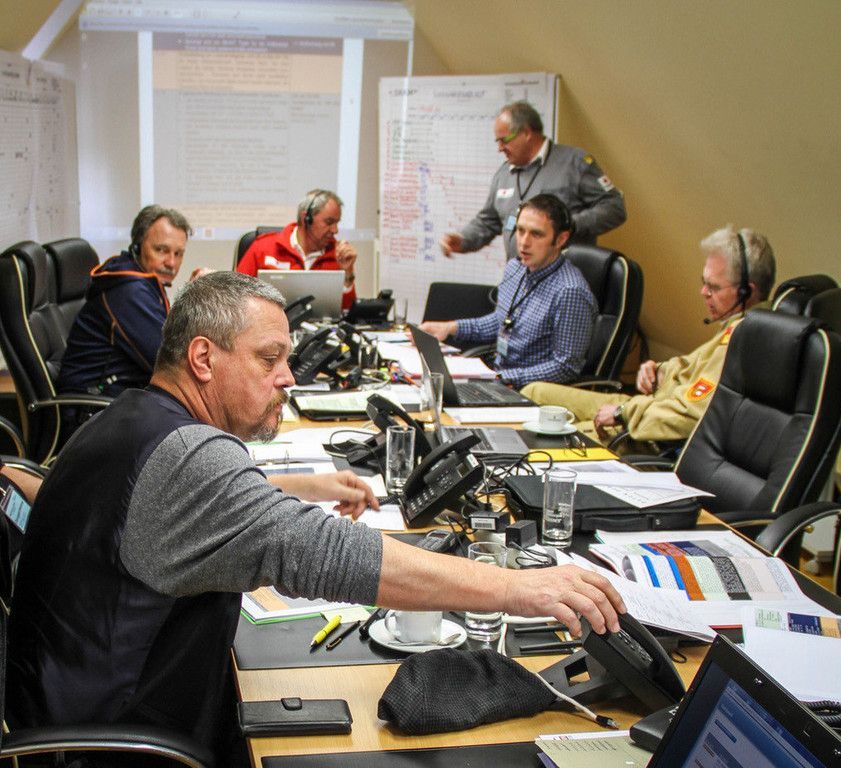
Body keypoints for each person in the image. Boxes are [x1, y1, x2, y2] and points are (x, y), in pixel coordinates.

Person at [7, 271, 625, 766]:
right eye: (269, 358)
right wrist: (520, 587)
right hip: (116, 742)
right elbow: (331, 555)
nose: (288, 377)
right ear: (203, 358)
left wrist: (303, 485)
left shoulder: (128, 418)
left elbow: (168, 505)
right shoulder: (190, 461)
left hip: (70, 703)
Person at [522, 226, 776, 443]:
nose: (703, 293)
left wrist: (623, 412)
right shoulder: (735, 325)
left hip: (650, 429)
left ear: (747, 292)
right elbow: (690, 368)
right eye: (704, 282)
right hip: (647, 407)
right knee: (534, 392)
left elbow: (688, 416)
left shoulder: (745, 339)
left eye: (714, 287)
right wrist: (659, 371)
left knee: (552, 436)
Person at [421, 194, 597, 389]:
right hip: (499, 380)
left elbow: (565, 368)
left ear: (561, 239)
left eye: (536, 234)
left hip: (529, 392)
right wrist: (450, 328)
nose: (524, 242)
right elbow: (501, 322)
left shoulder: (570, 292)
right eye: (520, 231)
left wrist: (501, 378)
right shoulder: (516, 268)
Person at [441, 100, 626, 262]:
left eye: (504, 140)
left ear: (526, 132)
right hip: (519, 281)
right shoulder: (504, 174)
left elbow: (614, 207)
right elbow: (488, 221)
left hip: (563, 281)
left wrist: (570, 224)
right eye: (498, 142)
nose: (500, 148)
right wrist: (463, 239)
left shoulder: (574, 163)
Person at [57, 204, 196, 398]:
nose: (171, 263)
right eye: (161, 250)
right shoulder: (129, 291)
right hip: (96, 405)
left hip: (123, 394)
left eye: (178, 253)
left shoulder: (141, 280)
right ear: (137, 246)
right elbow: (171, 365)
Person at [235, 189, 357, 311]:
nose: (335, 230)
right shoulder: (263, 247)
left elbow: (348, 311)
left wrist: (348, 273)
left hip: (322, 323)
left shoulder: (338, 255)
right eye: (329, 222)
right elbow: (236, 296)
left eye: (337, 223)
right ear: (306, 218)